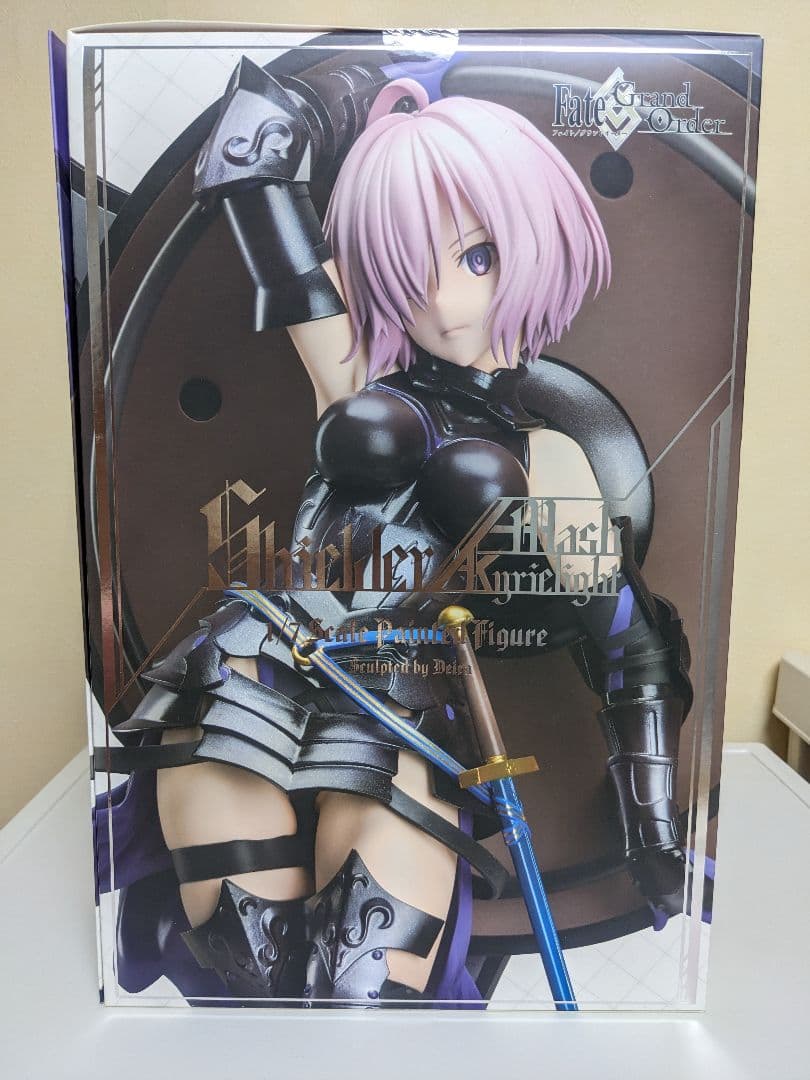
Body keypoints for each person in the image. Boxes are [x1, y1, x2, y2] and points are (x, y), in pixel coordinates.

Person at [104, 62, 692, 1006]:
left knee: (363, 992)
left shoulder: (550, 458)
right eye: (411, 265)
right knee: (248, 982)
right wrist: (358, 84)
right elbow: (250, 152)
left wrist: (653, 825)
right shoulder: (354, 369)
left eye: (478, 257)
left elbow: (627, 639)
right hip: (248, 675)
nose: (447, 301)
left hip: (394, 705)